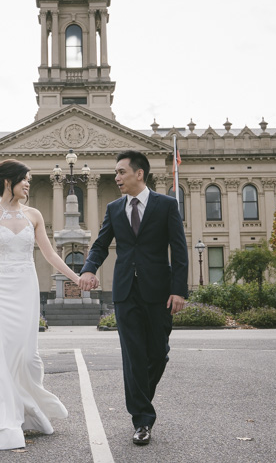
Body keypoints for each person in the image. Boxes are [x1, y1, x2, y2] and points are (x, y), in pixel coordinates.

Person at [0, 159, 82, 450]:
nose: (28, 184)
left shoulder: (34, 215)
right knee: (2, 354)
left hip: (26, 288)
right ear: (9, 182)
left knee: (28, 355)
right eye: (24, 179)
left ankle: (29, 409)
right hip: (0, 288)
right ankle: (6, 417)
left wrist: (76, 278)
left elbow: (50, 254)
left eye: (30, 180)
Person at [78, 150, 188, 446]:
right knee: (133, 355)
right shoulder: (114, 208)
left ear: (139, 174)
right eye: (116, 173)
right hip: (125, 291)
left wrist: (179, 290)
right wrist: (88, 269)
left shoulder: (166, 205)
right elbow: (101, 245)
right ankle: (141, 420)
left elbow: (179, 251)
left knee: (158, 353)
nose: (116, 177)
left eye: (121, 172)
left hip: (159, 292)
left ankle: (140, 397)